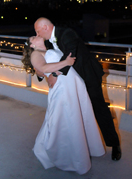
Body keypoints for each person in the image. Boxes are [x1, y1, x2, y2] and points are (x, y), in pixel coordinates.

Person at [34, 17, 122, 161]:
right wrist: (40, 73)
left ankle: (114, 144)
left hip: (88, 76)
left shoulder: (66, 33)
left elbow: (70, 56)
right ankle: (84, 146)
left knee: (99, 108)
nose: (38, 35)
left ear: (45, 27)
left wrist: (55, 74)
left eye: (38, 31)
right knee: (79, 112)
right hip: (73, 81)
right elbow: (48, 61)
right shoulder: (48, 42)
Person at [22, 36, 106, 175]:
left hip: (72, 85)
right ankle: (65, 155)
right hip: (61, 89)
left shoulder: (48, 49)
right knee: (65, 120)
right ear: (31, 45)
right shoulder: (36, 53)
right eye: (33, 37)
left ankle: (82, 149)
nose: (36, 35)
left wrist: (54, 71)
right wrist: (64, 63)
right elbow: (42, 67)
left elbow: (44, 69)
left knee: (77, 117)